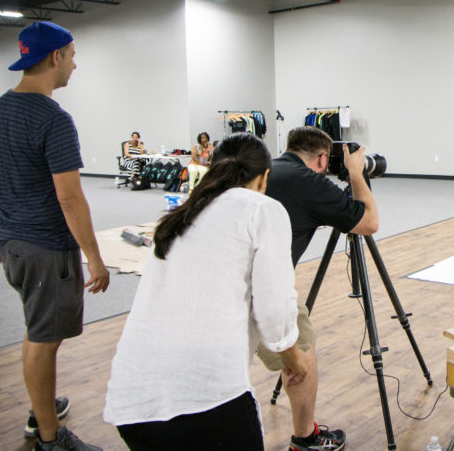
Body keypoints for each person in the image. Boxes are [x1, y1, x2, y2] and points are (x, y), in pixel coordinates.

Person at [104, 133, 308, 450]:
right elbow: (274, 309)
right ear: (264, 176)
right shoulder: (263, 209)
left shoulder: (181, 214)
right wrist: (294, 359)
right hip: (208, 399)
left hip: (131, 402)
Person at [0, 21, 109, 451]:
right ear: (55, 56)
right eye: (72, 55)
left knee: (37, 332)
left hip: (16, 245)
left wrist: (3, 234)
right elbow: (70, 198)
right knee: (43, 339)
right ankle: (50, 438)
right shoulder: (54, 119)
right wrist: (93, 256)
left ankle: (42, 407)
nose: (75, 64)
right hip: (44, 249)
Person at [260, 126, 379, 451]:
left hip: (236, 278)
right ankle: (305, 437)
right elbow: (368, 222)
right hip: (261, 286)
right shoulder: (309, 182)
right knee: (302, 348)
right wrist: (356, 173)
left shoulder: (269, 168)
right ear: (322, 157)